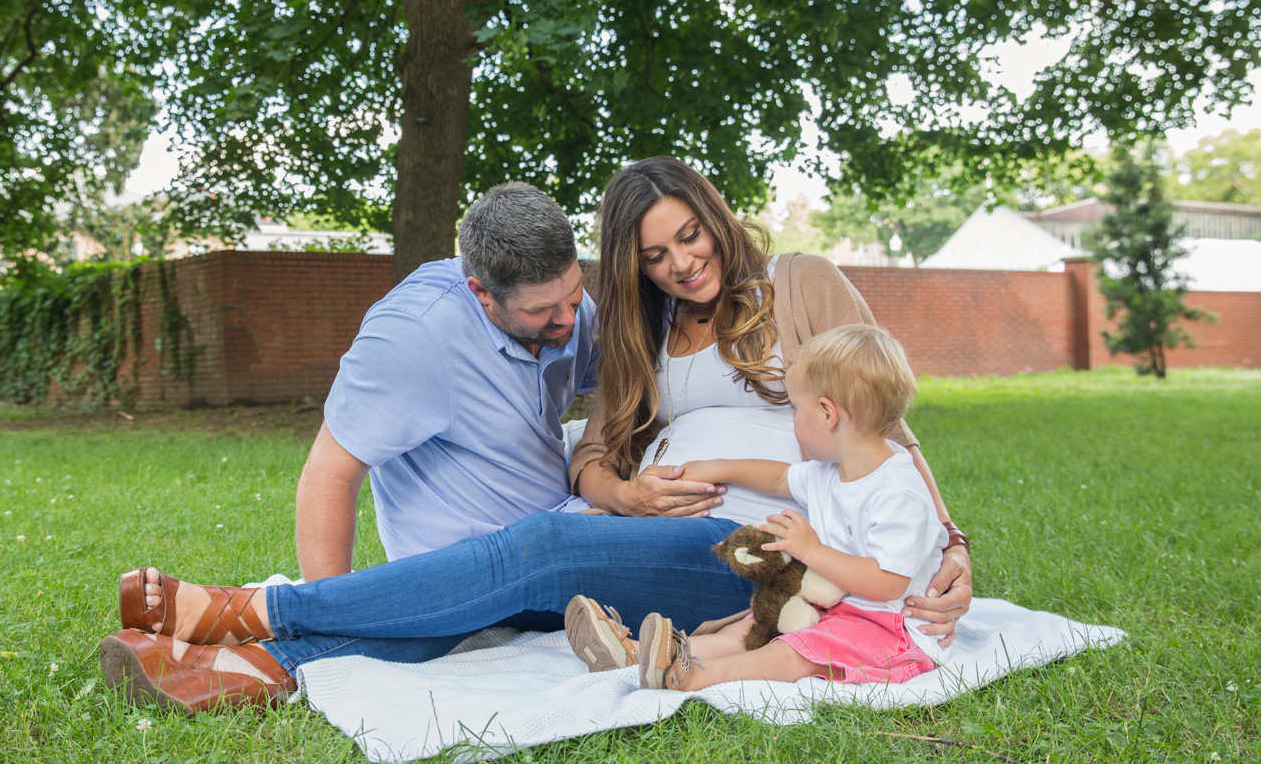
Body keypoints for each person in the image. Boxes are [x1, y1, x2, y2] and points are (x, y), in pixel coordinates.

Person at [98, 158, 973, 715]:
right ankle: (255, 672)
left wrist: (948, 544)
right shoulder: (640, 330)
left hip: (755, 541)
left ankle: (260, 609)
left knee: (542, 548)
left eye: (689, 235)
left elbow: (886, 422)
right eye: (653, 255)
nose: (679, 263)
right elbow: (594, 449)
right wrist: (622, 493)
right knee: (511, 571)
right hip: (639, 530)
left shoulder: (800, 283)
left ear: (715, 216)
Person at [601, 324, 949, 691]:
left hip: (886, 626)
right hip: (835, 605)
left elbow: (888, 583)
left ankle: (695, 677)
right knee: (755, 624)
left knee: (795, 651)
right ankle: (640, 654)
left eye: (796, 408)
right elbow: (780, 478)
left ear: (828, 414)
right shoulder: (834, 471)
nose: (793, 418)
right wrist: (721, 467)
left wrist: (812, 551)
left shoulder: (897, 492)